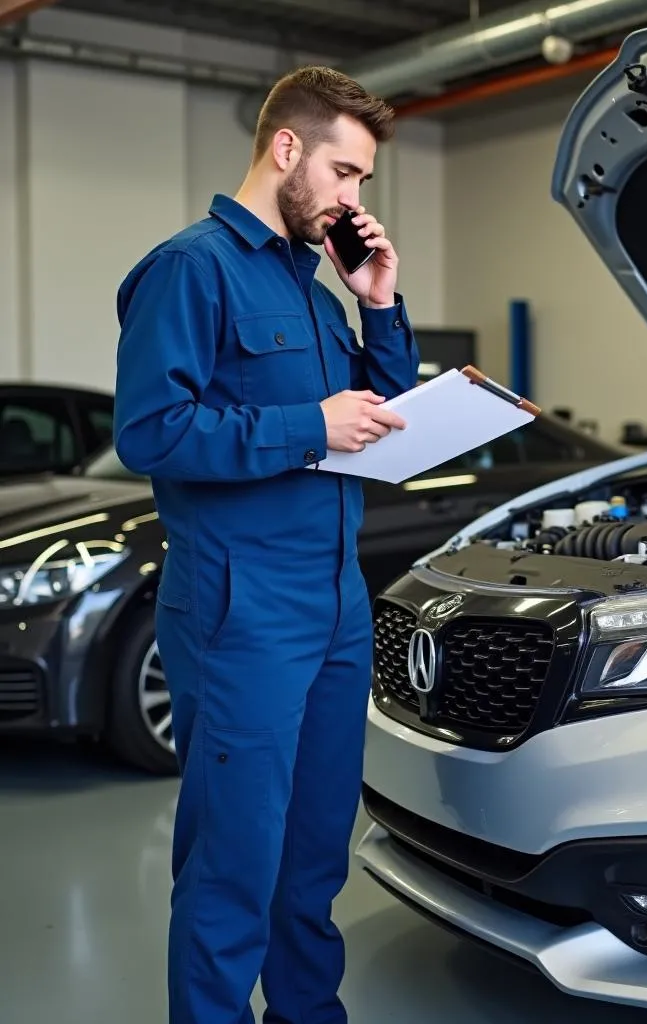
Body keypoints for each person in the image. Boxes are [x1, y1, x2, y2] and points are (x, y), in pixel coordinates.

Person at [113, 66, 419, 1024]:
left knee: (315, 854)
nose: (351, 199)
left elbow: (384, 416)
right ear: (286, 148)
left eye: (363, 183)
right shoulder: (190, 268)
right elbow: (151, 432)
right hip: (241, 606)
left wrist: (378, 301)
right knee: (234, 859)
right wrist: (307, 428)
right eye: (344, 172)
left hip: (334, 606)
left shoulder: (320, 291)